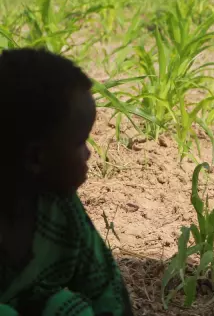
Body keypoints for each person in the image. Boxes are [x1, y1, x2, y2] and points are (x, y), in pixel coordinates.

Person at [0, 48, 134, 316]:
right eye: (80, 142)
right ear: (37, 157)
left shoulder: (63, 212)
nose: (88, 153)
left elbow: (107, 289)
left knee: (67, 308)